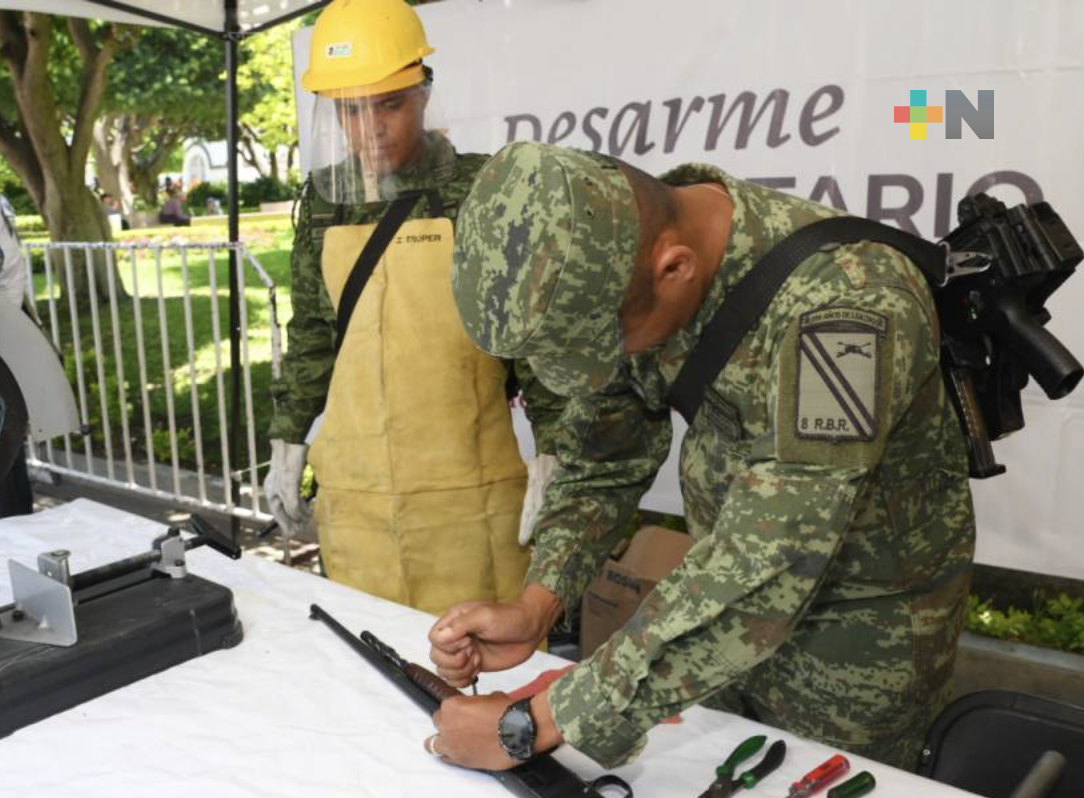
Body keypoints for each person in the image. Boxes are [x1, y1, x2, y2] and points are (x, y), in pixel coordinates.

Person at [427, 141, 976, 771]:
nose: (612, 359)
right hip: (708, 624)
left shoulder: (846, 307)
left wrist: (535, 722)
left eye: (612, 341)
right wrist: (539, 602)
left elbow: (774, 555)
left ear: (674, 267)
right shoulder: (618, 256)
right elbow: (604, 455)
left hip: (852, 649)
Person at [264, 0, 562, 615]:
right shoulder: (323, 204)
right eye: (349, 109)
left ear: (424, 94)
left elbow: (534, 338)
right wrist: (288, 437)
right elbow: (316, 334)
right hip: (358, 496)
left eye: (389, 103)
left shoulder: (481, 191)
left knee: (476, 671)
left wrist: (555, 449)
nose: (370, 128)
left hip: (468, 497)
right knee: (367, 663)